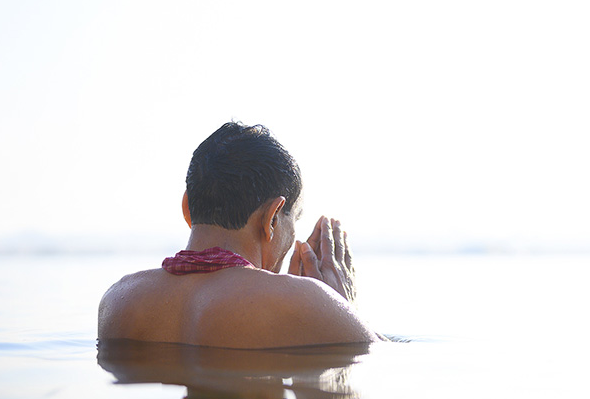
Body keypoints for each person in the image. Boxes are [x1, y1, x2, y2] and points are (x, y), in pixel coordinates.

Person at [97, 122, 384, 349]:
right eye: (294, 219)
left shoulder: (118, 301)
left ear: (187, 208)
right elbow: (368, 364)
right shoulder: (304, 303)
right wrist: (341, 306)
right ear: (272, 219)